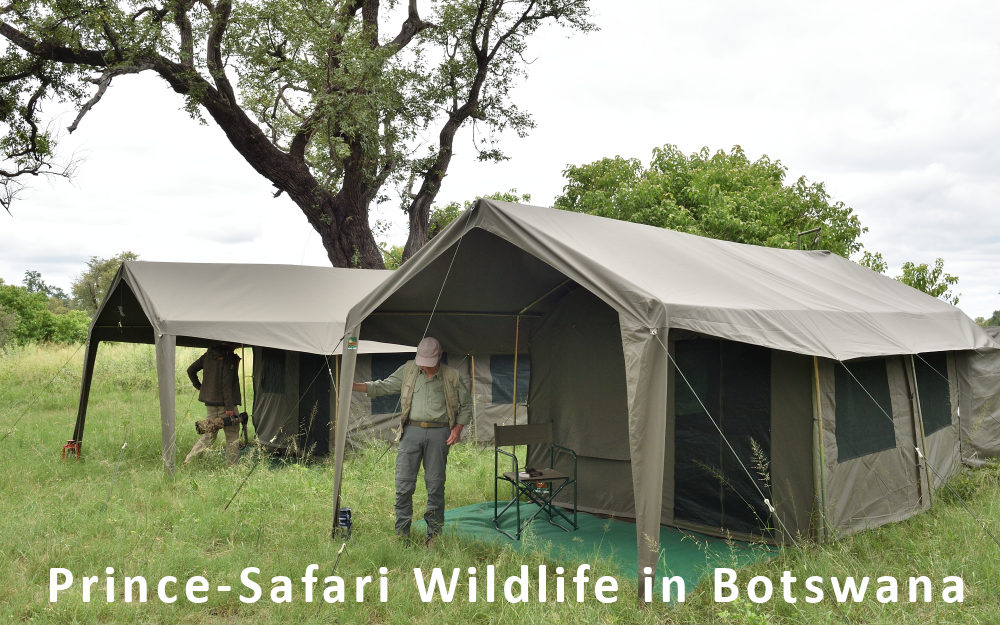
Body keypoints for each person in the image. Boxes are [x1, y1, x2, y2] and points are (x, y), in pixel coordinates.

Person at [352, 336, 471, 545]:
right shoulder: (408, 369)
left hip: (439, 434)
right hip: (411, 432)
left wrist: (458, 428)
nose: (425, 366)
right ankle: (401, 534)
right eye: (422, 361)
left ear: (440, 356)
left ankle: (433, 536)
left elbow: (466, 405)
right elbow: (384, 386)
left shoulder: (452, 375)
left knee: (435, 485)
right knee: (403, 484)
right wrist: (353, 386)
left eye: (429, 362)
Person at [183, 342, 242, 466]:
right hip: (226, 405)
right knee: (232, 436)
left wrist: (200, 387)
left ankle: (189, 462)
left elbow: (190, 370)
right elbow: (226, 384)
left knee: (209, 435)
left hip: (210, 403)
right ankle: (232, 467)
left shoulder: (208, 355)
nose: (236, 345)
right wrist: (229, 407)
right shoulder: (228, 357)